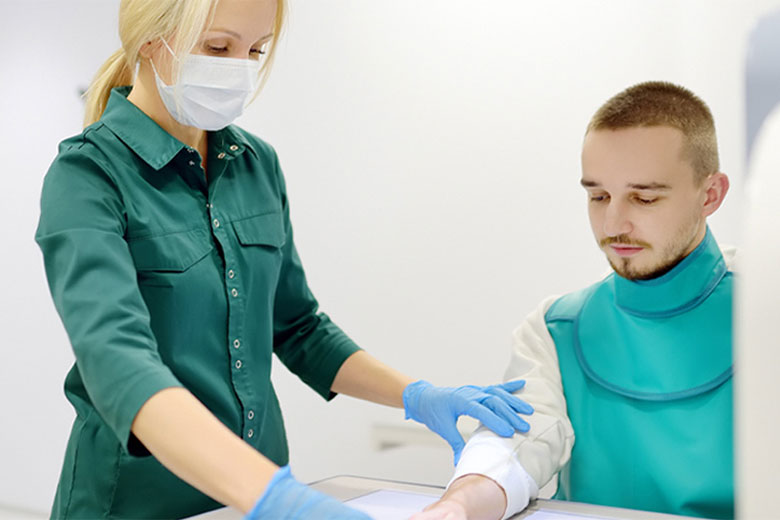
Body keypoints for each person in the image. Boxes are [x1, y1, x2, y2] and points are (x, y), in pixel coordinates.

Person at [34, 1, 535, 518]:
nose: (240, 67)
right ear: (149, 39)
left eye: (255, 50)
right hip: (137, 502)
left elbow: (298, 328)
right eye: (218, 47)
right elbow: (120, 365)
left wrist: (419, 396)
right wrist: (279, 499)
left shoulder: (255, 165)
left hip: (252, 494)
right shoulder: (87, 176)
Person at [414, 81, 734, 520]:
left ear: (710, 195)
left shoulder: (764, 311)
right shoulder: (556, 327)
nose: (613, 222)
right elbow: (515, 445)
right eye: (597, 195)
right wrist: (457, 507)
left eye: (644, 197)